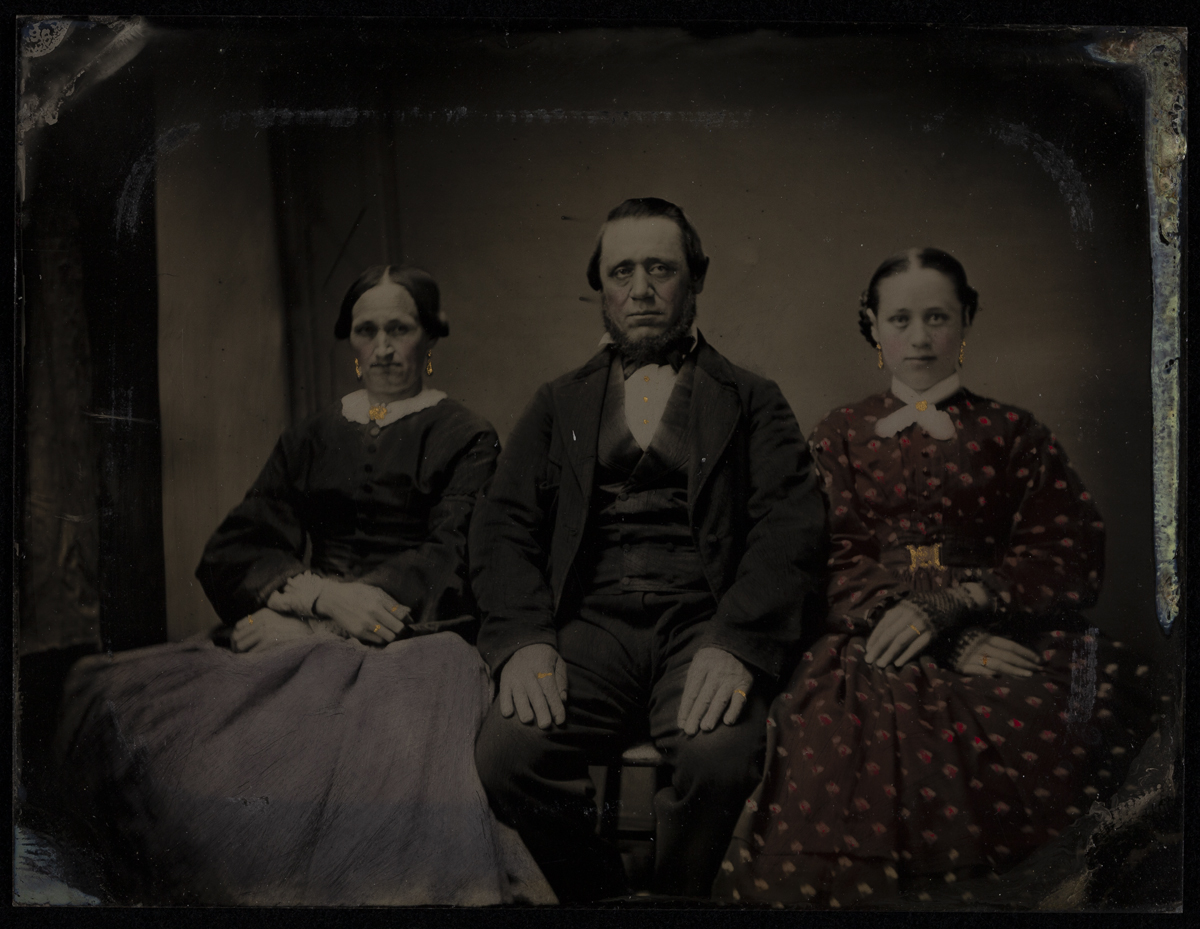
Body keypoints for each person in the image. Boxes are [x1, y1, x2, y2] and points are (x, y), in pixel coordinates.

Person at [54, 266, 553, 905]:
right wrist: (314, 595)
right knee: (105, 693)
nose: (382, 347)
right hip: (307, 619)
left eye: (399, 329)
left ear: (430, 340)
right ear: (350, 342)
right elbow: (235, 547)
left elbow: (451, 557)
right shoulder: (312, 436)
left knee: (355, 770)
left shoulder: (467, 435)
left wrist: (325, 621)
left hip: (417, 637)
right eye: (365, 330)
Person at [713, 248, 1156, 906]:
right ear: (872, 327)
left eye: (937, 317)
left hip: (1002, 631)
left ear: (966, 321)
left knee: (1076, 722)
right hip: (869, 637)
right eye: (899, 319)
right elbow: (824, 552)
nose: (918, 338)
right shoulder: (839, 433)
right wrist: (929, 631)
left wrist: (958, 608)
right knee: (837, 749)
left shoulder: (1014, 432)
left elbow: (1066, 550)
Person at [470, 198, 829, 901]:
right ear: (601, 287)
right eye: (621, 270)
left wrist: (737, 641)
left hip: (704, 624)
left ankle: (674, 898)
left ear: (694, 279)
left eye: (660, 269)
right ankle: (601, 897)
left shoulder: (753, 398)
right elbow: (502, 525)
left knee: (721, 757)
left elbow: (791, 529)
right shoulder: (556, 402)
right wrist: (522, 640)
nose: (640, 288)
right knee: (509, 754)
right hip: (589, 628)